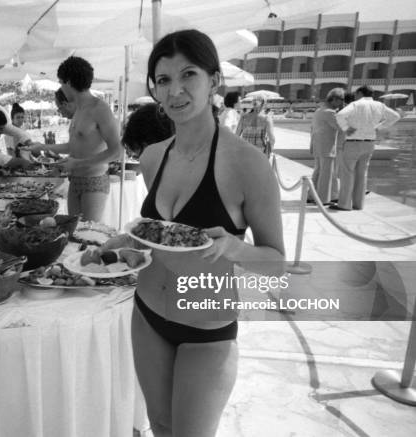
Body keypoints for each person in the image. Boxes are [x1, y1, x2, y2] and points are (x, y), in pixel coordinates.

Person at [104, 29, 285, 437]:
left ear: (214, 80)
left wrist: (235, 247)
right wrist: (124, 242)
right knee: (160, 425)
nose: (175, 91)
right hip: (147, 313)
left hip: (208, 330)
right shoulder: (152, 157)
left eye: (188, 75)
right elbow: (161, 235)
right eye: (163, 80)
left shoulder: (247, 164)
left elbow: (278, 263)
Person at [25, 56, 121, 221]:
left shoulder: (100, 108)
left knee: (88, 235)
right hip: (76, 180)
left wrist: (77, 163)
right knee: (73, 232)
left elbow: (117, 151)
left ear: (68, 82)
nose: (61, 88)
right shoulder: (80, 109)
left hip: (94, 181)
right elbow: (73, 145)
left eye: (61, 83)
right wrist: (42, 146)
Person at [332, 85, 400, 210]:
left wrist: (346, 128)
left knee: (347, 173)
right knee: (362, 174)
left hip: (353, 142)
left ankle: (345, 204)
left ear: (359, 93)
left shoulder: (356, 104)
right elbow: (396, 116)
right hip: (369, 142)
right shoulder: (380, 105)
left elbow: (340, 115)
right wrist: (379, 127)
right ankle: (358, 204)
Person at [308, 88, 345, 205]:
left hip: (318, 146)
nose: (342, 103)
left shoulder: (319, 111)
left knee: (318, 172)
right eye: (341, 100)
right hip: (327, 147)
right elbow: (343, 127)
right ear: (334, 99)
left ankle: (312, 196)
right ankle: (324, 199)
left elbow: (312, 129)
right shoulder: (330, 113)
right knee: (326, 174)